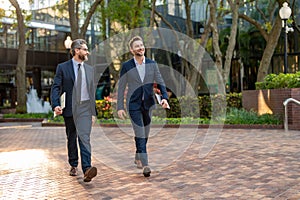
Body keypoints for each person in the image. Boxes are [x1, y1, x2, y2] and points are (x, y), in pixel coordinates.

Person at [117, 36, 170, 177]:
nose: (140, 48)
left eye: (141, 45)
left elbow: (160, 81)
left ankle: (138, 154)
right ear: (131, 50)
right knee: (140, 131)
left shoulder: (152, 64)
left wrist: (164, 97)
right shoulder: (126, 66)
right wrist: (120, 107)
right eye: (137, 46)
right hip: (133, 105)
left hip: (148, 103)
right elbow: (121, 88)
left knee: (145, 133)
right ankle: (146, 164)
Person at [51, 39, 98, 182]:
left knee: (84, 138)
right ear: (76, 50)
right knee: (72, 137)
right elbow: (56, 87)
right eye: (84, 49)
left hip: (85, 108)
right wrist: (55, 104)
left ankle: (87, 169)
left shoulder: (89, 69)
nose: (87, 52)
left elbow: (92, 92)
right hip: (70, 108)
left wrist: (93, 112)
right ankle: (73, 164)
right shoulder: (63, 67)